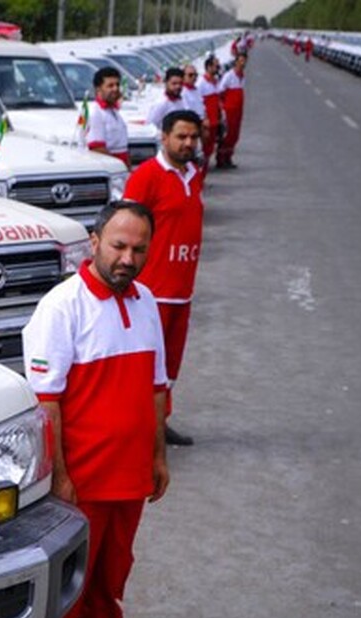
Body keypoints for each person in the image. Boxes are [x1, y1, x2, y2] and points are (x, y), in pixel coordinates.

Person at [16, 200, 170, 618]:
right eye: (118, 246)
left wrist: (158, 456)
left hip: (130, 479)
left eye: (139, 249)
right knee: (68, 590)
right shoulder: (62, 307)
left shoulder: (146, 301)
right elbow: (46, 404)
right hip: (81, 482)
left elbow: (157, 386)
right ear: (94, 241)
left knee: (110, 580)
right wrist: (59, 478)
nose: (128, 258)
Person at [124, 110, 205, 447]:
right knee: (143, 369)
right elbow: (124, 228)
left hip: (182, 291)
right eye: (181, 137)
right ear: (164, 137)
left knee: (169, 367)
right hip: (152, 293)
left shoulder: (194, 175)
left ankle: (160, 422)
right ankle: (136, 434)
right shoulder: (146, 177)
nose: (188, 143)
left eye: (193, 137)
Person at [85, 66, 130, 166]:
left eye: (117, 85)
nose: (115, 89)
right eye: (110, 86)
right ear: (98, 89)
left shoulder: (114, 111)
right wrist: (118, 168)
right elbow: (97, 148)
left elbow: (123, 147)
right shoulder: (96, 112)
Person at [216, 52, 247, 169]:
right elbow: (220, 91)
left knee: (235, 135)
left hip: (238, 110)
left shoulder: (242, 76)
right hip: (229, 110)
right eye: (240, 60)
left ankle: (228, 157)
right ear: (236, 61)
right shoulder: (229, 76)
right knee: (227, 135)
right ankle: (221, 159)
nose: (242, 63)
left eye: (244, 61)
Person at [198, 56, 223, 172]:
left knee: (211, 146)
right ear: (208, 67)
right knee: (205, 147)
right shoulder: (201, 84)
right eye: (215, 66)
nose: (218, 68)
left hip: (215, 119)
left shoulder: (216, 81)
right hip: (208, 121)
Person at [146, 66, 188, 133]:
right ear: (166, 83)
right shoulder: (161, 103)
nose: (178, 86)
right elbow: (150, 126)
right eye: (174, 84)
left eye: (180, 83)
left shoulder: (182, 99)